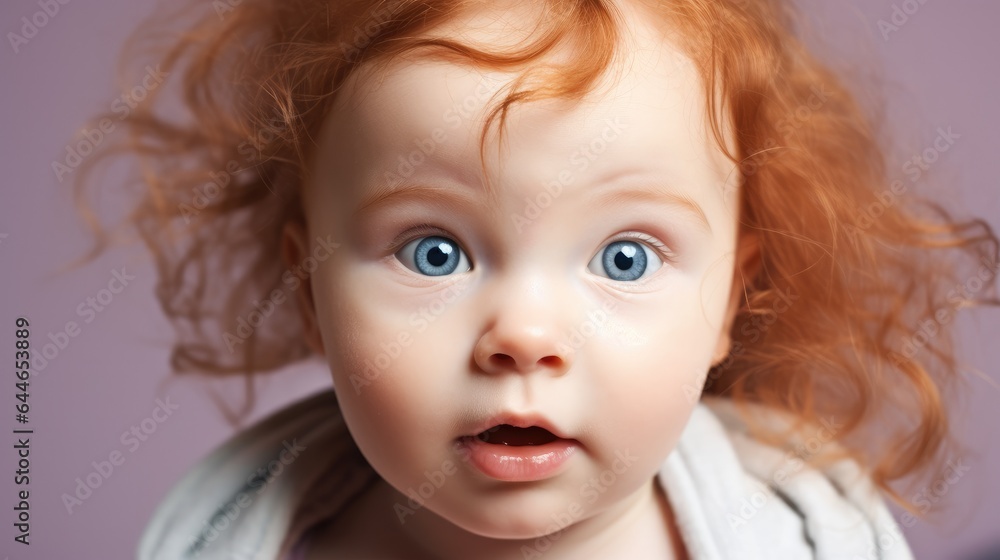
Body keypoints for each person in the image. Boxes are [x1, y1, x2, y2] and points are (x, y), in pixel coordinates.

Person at [70, 0, 999, 558]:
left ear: (727, 299)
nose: (522, 334)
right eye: (434, 251)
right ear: (309, 291)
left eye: (623, 258)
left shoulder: (806, 538)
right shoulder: (227, 531)